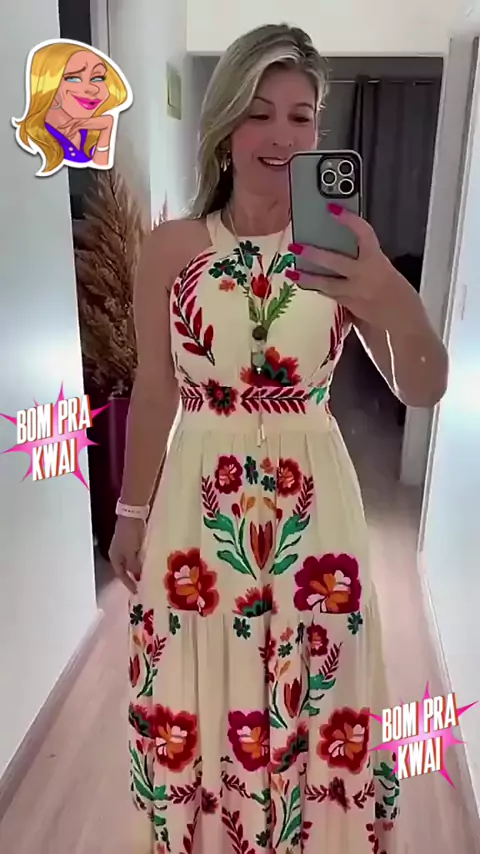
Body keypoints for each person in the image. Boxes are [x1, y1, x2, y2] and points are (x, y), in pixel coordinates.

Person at [109, 23, 448, 854]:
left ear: (319, 130)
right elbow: (155, 388)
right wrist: (130, 512)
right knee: (197, 685)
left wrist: (388, 290)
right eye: (259, 113)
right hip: (198, 510)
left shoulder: (341, 247)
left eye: (302, 116)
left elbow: (422, 386)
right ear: (225, 123)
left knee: (314, 686)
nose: (281, 136)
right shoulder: (173, 249)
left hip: (314, 513)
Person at [12, 40, 131, 176]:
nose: (92, 88)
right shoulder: (34, 141)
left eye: (98, 78)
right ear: (47, 85)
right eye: (73, 78)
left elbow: (102, 178)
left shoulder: (91, 133)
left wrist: (107, 128)